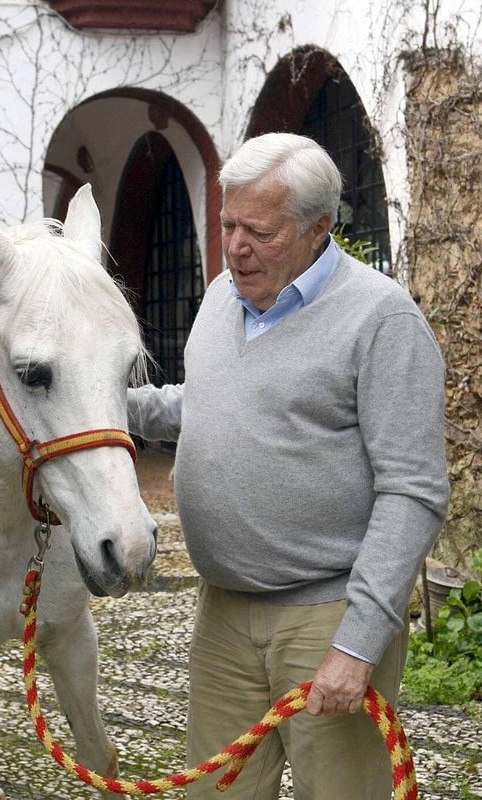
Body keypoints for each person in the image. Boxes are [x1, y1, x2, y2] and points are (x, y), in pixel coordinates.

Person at [127, 132, 449, 800]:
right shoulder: (223, 297)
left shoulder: (382, 320)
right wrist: (103, 409)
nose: (236, 247)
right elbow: (213, 400)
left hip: (327, 614)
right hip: (223, 612)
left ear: (318, 228)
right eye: (228, 225)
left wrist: (358, 643)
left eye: (259, 231)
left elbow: (413, 492)